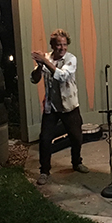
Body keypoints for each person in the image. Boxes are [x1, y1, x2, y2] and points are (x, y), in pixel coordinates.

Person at [30, 29, 89, 186]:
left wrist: (45, 61)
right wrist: (39, 65)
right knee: (45, 139)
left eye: (64, 45)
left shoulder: (71, 59)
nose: (62, 48)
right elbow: (34, 79)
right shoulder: (47, 58)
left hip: (69, 105)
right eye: (58, 45)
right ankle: (44, 171)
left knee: (76, 137)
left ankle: (76, 162)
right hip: (51, 106)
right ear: (52, 45)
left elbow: (63, 76)